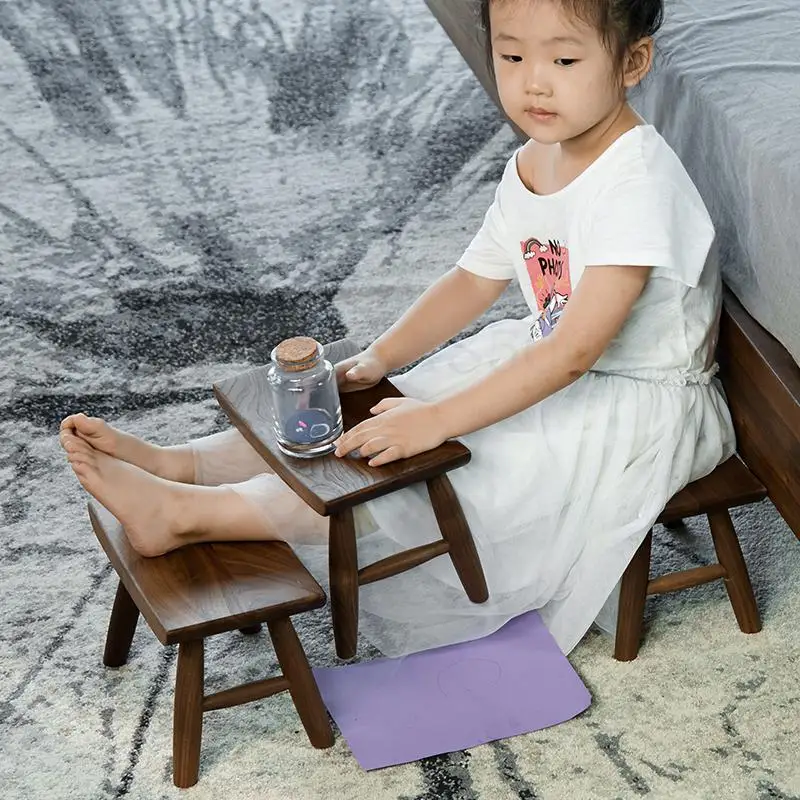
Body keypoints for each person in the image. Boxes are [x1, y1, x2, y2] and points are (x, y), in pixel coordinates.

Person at [60, 0, 735, 657]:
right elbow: (473, 280)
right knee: (387, 402)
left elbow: (575, 351)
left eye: (563, 60)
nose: (534, 82)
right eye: (512, 56)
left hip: (632, 401)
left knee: (435, 471)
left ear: (632, 62)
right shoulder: (538, 158)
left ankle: (186, 515)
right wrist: (383, 356)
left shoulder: (636, 186)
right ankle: (186, 464)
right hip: (545, 357)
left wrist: (437, 422)